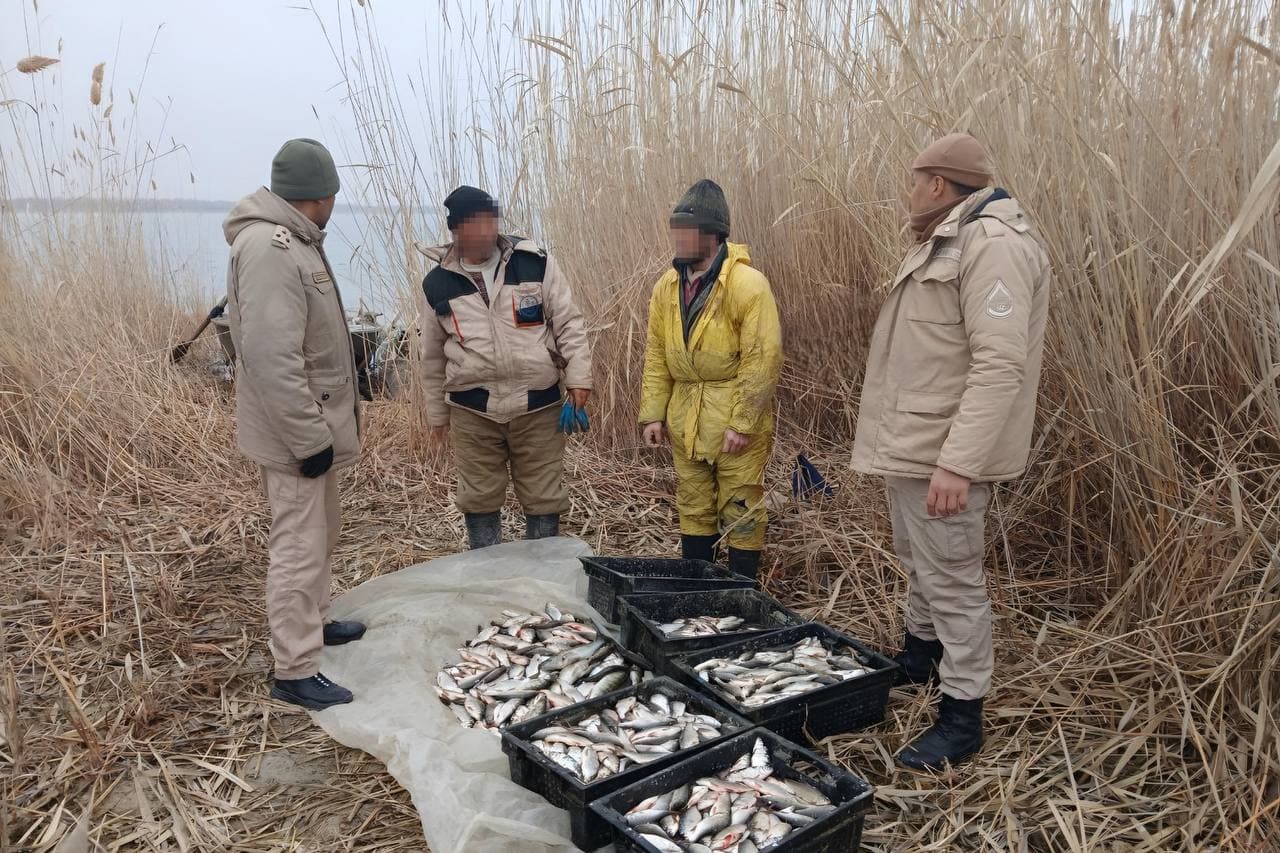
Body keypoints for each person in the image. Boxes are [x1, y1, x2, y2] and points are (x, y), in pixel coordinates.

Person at [852, 133, 1052, 770]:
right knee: (921, 560)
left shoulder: (993, 247)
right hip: (916, 444)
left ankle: (963, 714)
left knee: (954, 579)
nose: (908, 194)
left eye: (914, 181)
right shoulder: (951, 238)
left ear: (937, 184)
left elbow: (1000, 367)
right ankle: (919, 657)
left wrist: (958, 464)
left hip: (943, 451)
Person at [224, 138, 367, 711]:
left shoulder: (296, 240)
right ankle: (294, 668)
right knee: (299, 545)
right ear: (322, 194)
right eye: (334, 194)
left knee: (321, 532)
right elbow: (269, 355)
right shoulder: (271, 248)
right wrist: (308, 438)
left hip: (316, 425)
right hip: (297, 433)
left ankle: (316, 621)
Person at [417, 186, 593, 549]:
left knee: (545, 495)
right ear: (456, 230)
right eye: (475, 224)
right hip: (471, 409)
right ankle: (488, 577)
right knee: (478, 498)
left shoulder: (535, 262)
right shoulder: (436, 284)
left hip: (539, 404)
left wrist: (579, 377)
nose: (486, 230)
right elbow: (432, 356)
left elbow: (569, 324)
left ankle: (542, 576)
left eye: (491, 220)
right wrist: (437, 416)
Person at [639, 179, 783, 580]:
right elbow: (656, 355)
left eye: (686, 230)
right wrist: (653, 414)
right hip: (685, 416)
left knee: (741, 503)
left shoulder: (747, 285)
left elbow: (762, 358)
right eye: (674, 229)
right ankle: (697, 587)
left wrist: (743, 423)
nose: (677, 239)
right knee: (693, 502)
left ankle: (742, 589)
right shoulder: (666, 287)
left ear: (713, 234)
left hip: (732, 413)